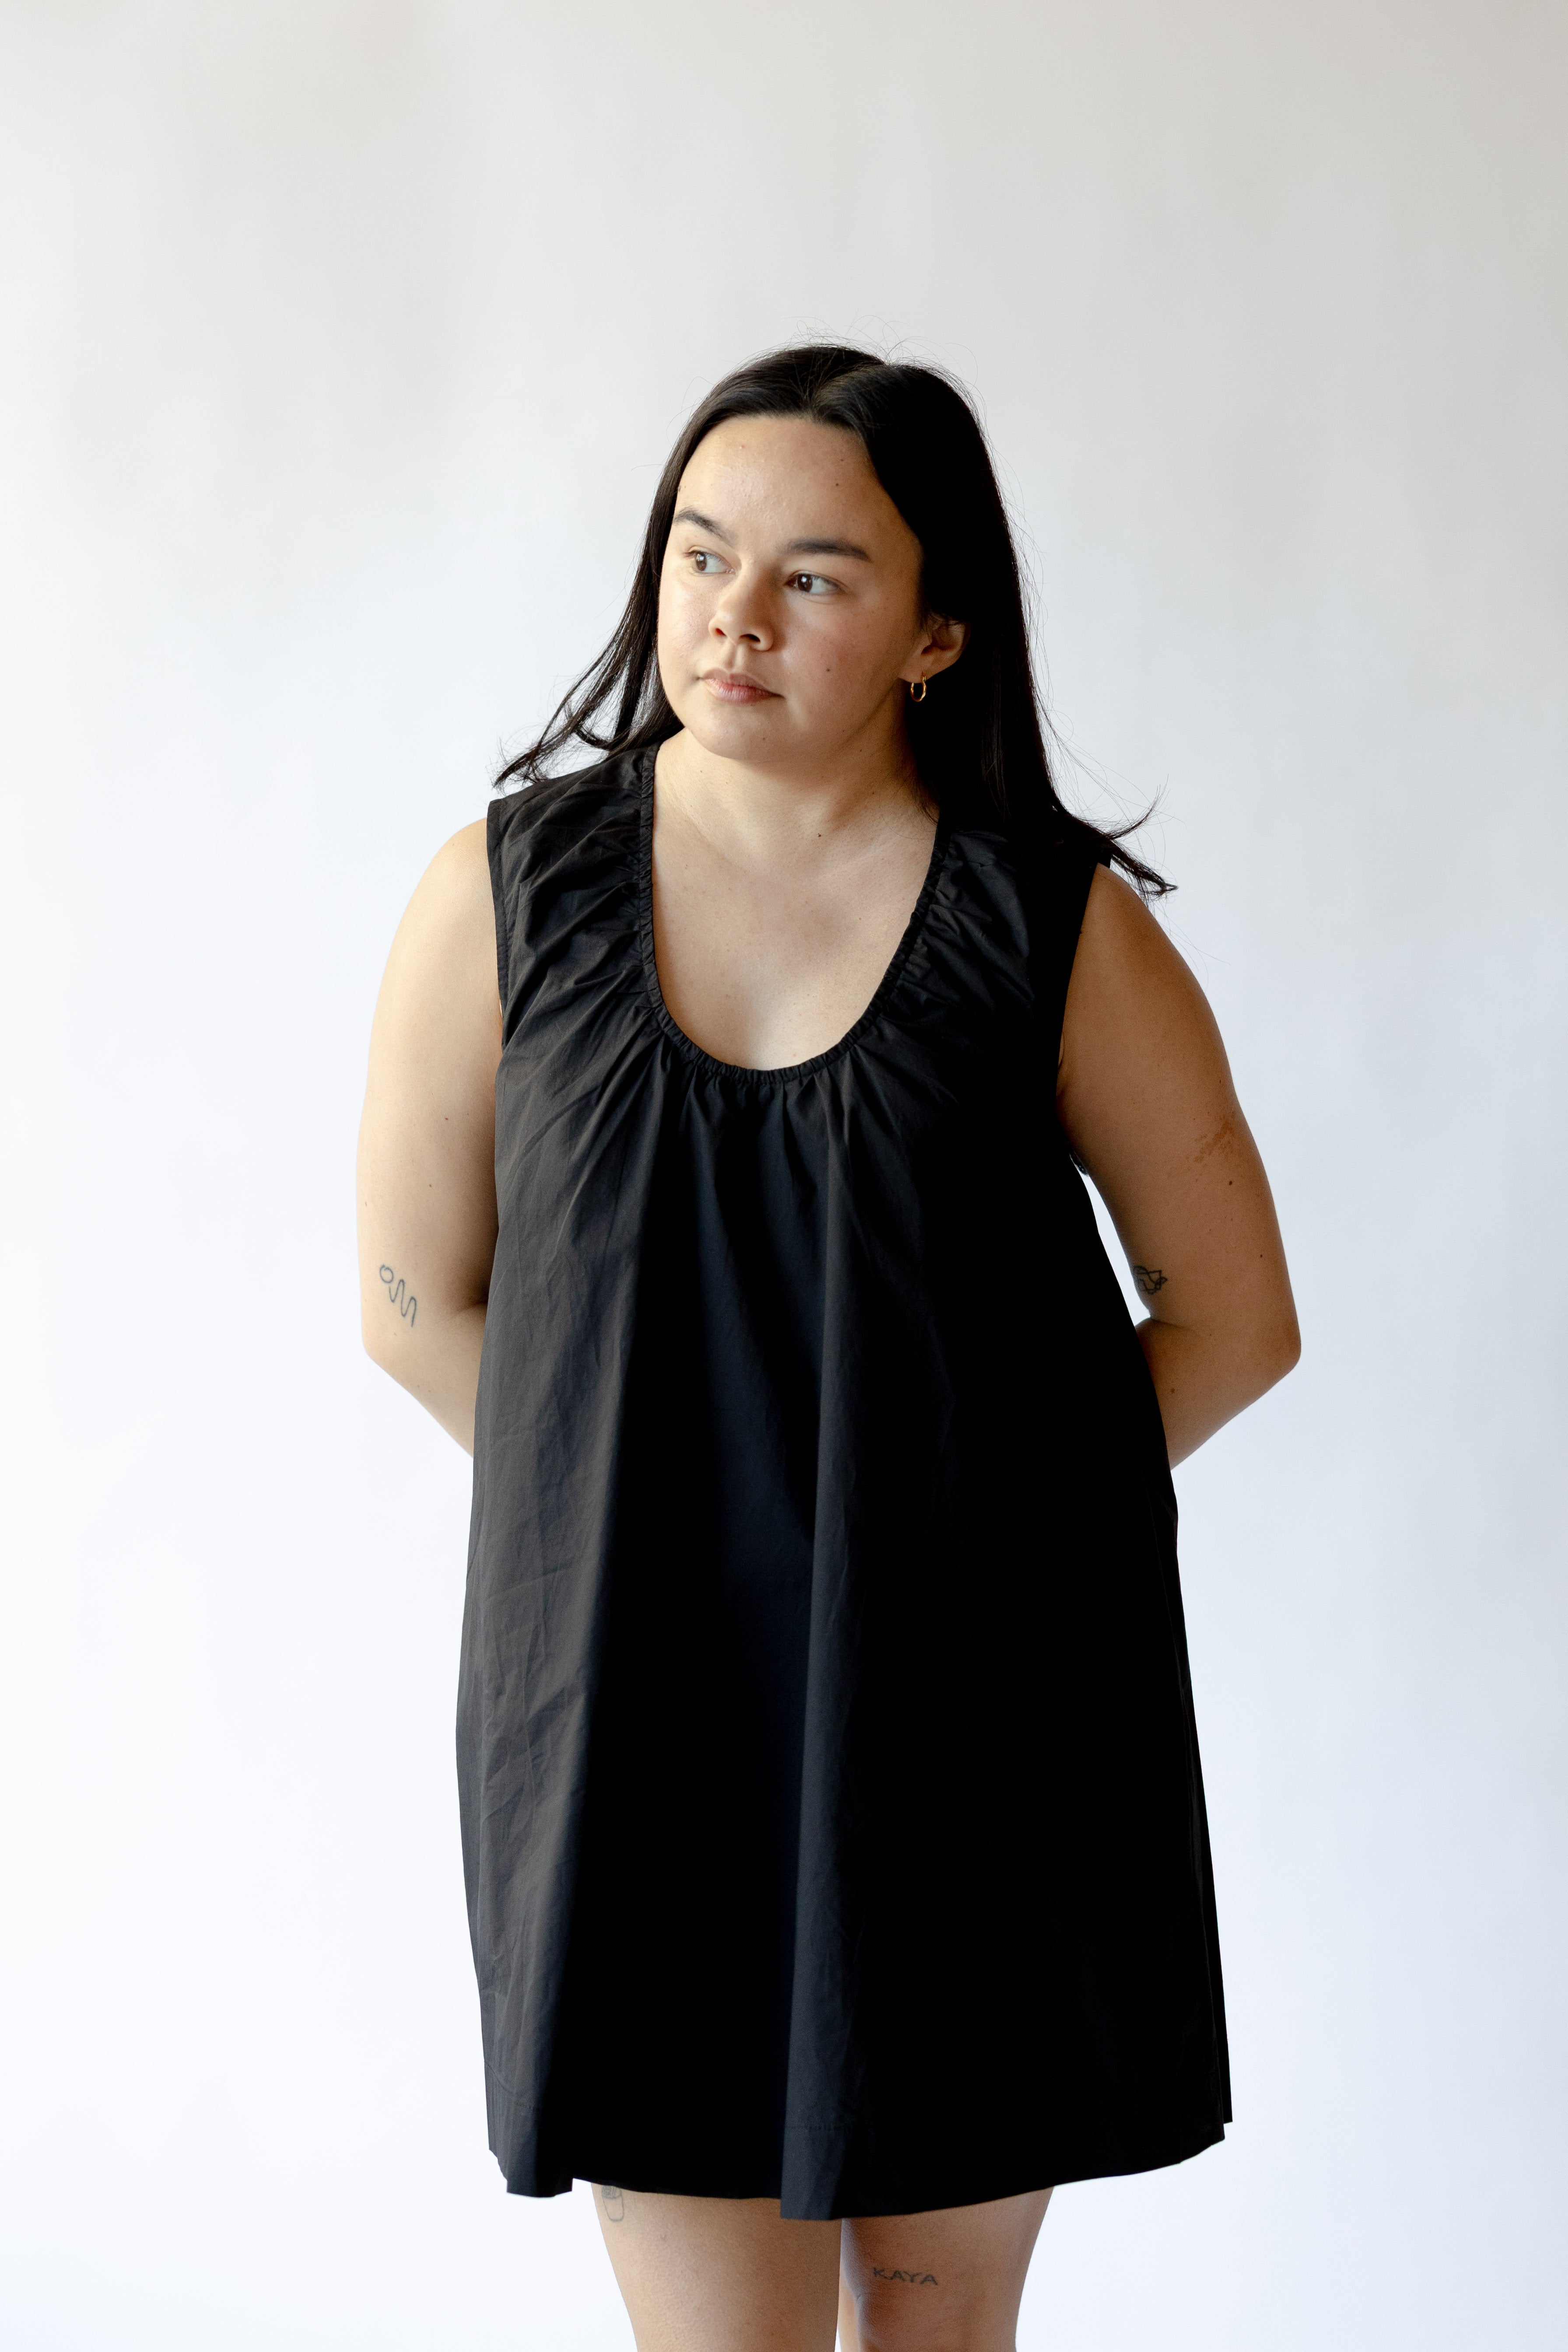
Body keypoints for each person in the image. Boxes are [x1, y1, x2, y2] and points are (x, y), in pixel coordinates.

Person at [356, 344, 1300, 2352]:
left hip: (978, 1743)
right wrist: (626, 1510)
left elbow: (1233, 1318)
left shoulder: (1050, 928)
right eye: (701, 553)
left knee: (938, 2331)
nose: (734, 616)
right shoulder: (502, 896)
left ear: (936, 635)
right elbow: (415, 1298)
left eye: (813, 576)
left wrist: (965, 1538)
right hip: (635, 1731)